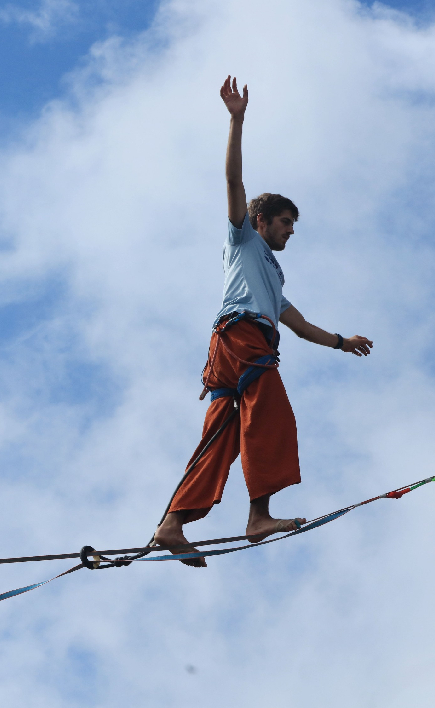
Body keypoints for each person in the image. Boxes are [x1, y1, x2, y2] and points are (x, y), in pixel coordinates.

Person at [152, 76, 373, 568]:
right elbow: (234, 183)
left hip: (232, 349)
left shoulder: (273, 278)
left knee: (221, 438)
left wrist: (342, 342)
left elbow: (300, 326)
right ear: (262, 222)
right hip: (242, 338)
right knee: (271, 414)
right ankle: (258, 517)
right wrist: (237, 120)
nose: (291, 231)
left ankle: (172, 523)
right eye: (286, 222)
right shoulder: (243, 241)